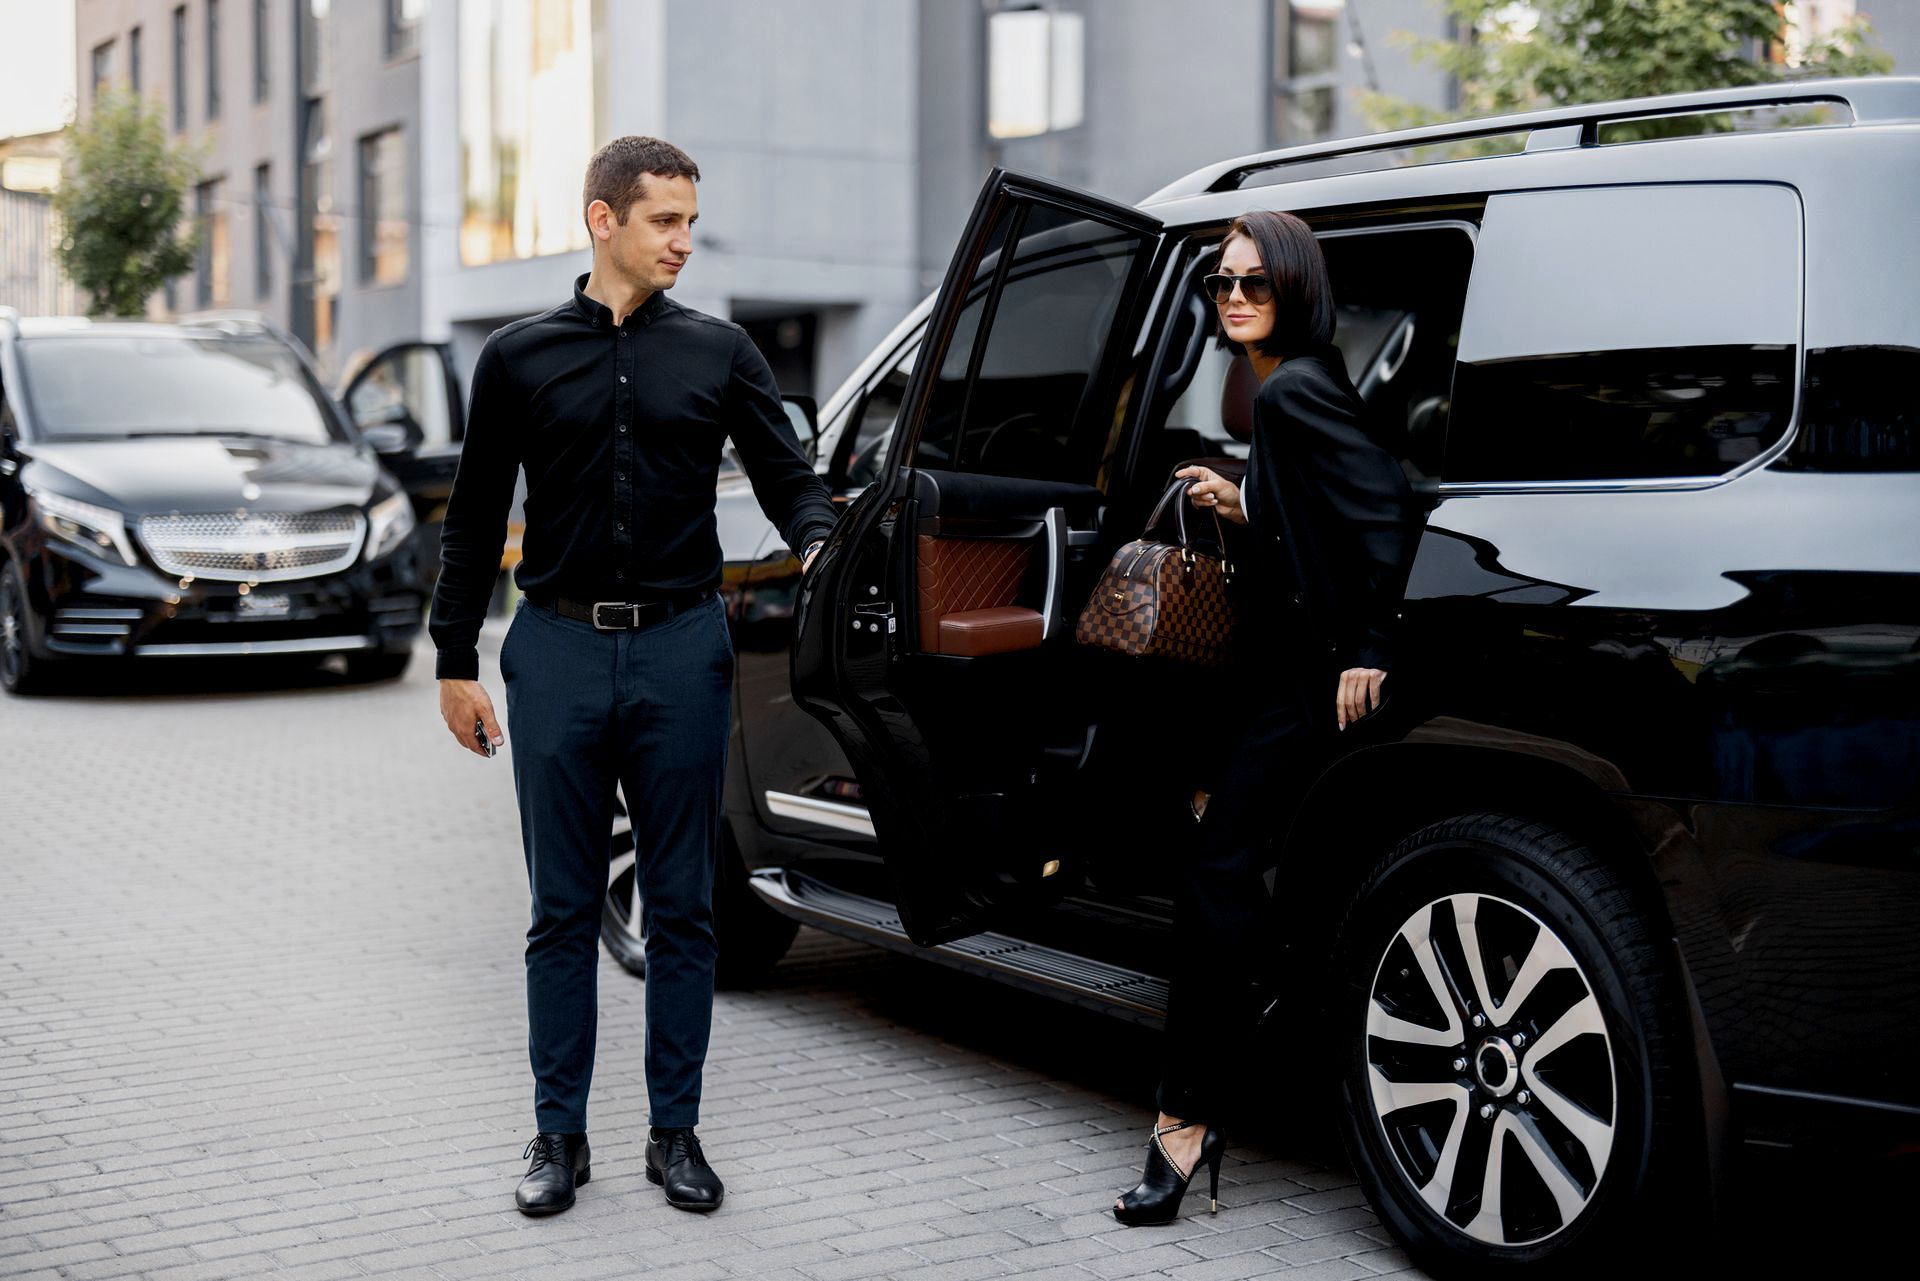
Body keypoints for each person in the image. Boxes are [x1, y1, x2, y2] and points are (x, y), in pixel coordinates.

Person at [430, 136, 837, 1218]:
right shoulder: (516, 357)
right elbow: (474, 519)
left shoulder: (721, 353)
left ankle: (677, 1134)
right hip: (555, 650)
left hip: (681, 649)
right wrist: (453, 661)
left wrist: (825, 542)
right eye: (666, 221)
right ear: (603, 220)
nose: (685, 243)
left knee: (687, 910)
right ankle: (557, 1138)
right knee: (560, 910)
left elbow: (794, 480)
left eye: (692, 222)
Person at [1111, 210, 1422, 1225]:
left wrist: (1370, 645)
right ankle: (1235, 1062)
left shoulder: (1290, 391)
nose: (1236, 296)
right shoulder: (1297, 388)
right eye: (1223, 283)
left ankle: (1187, 1118)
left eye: (1257, 281)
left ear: (1294, 287)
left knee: (1216, 872)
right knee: (1219, 853)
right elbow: (1330, 504)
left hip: (1310, 679)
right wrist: (1249, 499)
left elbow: (1385, 511)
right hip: (1290, 673)